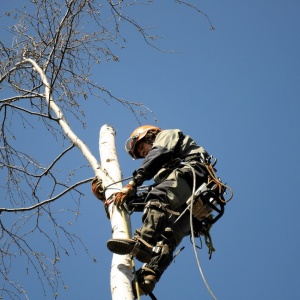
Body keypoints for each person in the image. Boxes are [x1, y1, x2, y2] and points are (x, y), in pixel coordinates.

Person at [92, 125, 212, 296]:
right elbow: (146, 200)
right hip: (200, 202)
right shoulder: (168, 174)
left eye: (142, 148)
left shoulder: (166, 136)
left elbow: (158, 155)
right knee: (167, 236)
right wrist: (110, 198)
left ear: (150, 136)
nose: (144, 154)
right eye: (141, 154)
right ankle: (149, 277)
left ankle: (143, 242)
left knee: (158, 197)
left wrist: (133, 183)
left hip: (194, 176)